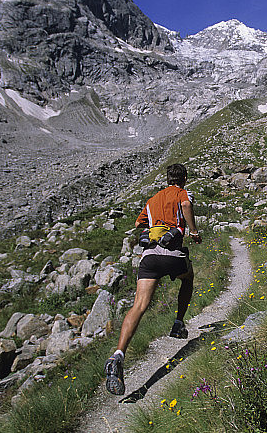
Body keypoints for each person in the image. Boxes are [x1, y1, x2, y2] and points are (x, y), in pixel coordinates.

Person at [104, 163, 202, 395]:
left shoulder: (153, 199)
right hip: (172, 255)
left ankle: (118, 355)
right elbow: (186, 205)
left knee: (139, 306)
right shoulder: (182, 193)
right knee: (188, 277)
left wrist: (155, 223)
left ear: (167, 179)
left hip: (149, 257)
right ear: (184, 179)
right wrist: (194, 231)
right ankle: (178, 323)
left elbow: (138, 223)